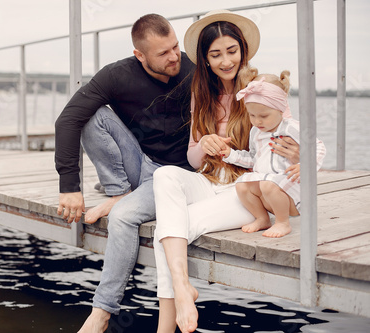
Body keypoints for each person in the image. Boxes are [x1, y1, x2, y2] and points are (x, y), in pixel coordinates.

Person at [150, 9, 303, 333]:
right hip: (208, 181)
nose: (225, 61)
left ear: (242, 50)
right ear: (205, 59)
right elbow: (192, 161)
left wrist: (298, 154)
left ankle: (167, 322)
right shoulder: (201, 92)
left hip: (246, 191)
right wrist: (203, 143)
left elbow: (287, 138)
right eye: (215, 54)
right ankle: (182, 287)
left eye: (231, 51)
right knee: (164, 175)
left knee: (167, 229)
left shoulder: (260, 89)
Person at [54, 14, 195, 332]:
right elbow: (67, 120)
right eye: (163, 53)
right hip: (142, 163)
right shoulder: (118, 75)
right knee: (90, 116)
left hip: (174, 177)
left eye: (175, 46)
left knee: (122, 218)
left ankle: (101, 313)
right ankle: (119, 192)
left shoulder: (193, 69)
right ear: (140, 56)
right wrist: (69, 186)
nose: (174, 56)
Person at [221, 66, 326, 238]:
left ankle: (283, 223)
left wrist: (306, 165)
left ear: (280, 109)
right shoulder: (256, 132)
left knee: (268, 184)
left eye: (263, 116)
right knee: (241, 185)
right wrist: (230, 154)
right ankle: (262, 218)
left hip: (292, 193)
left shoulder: (291, 127)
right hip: (267, 191)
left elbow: (318, 146)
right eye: (252, 115)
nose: (257, 121)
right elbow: (253, 159)